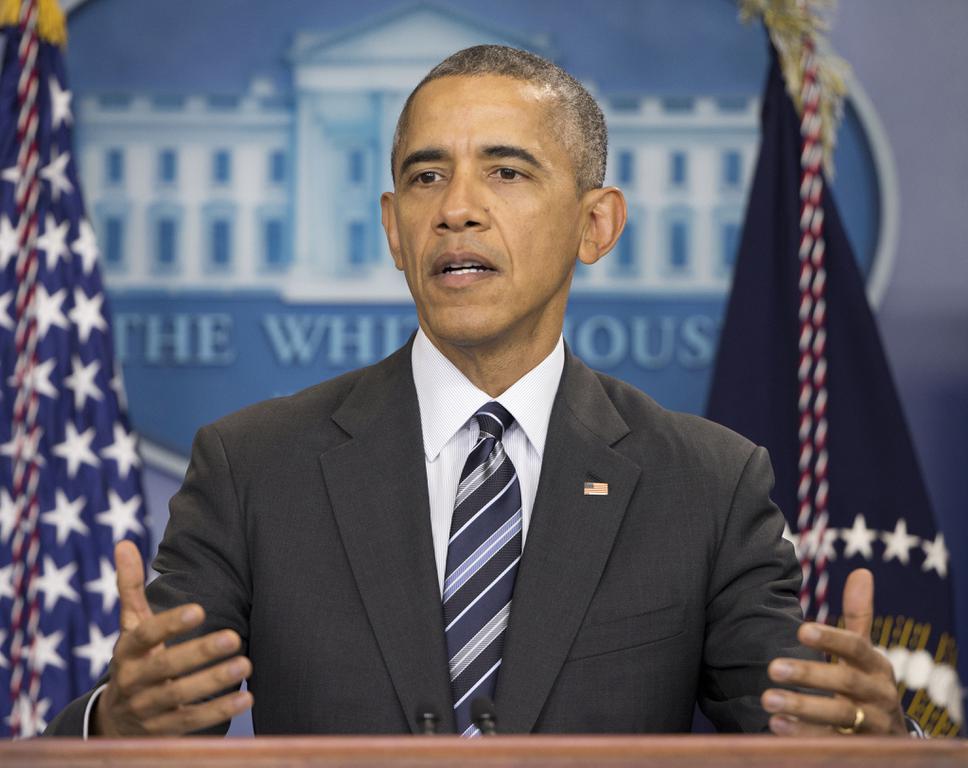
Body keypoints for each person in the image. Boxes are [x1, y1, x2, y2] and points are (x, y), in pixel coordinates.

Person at [46, 45, 907, 738]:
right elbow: (153, 711)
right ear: (393, 229)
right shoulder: (252, 466)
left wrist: (866, 736)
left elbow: (803, 730)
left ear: (595, 223)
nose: (456, 209)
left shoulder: (710, 486)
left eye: (506, 172)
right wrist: (116, 719)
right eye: (426, 177)